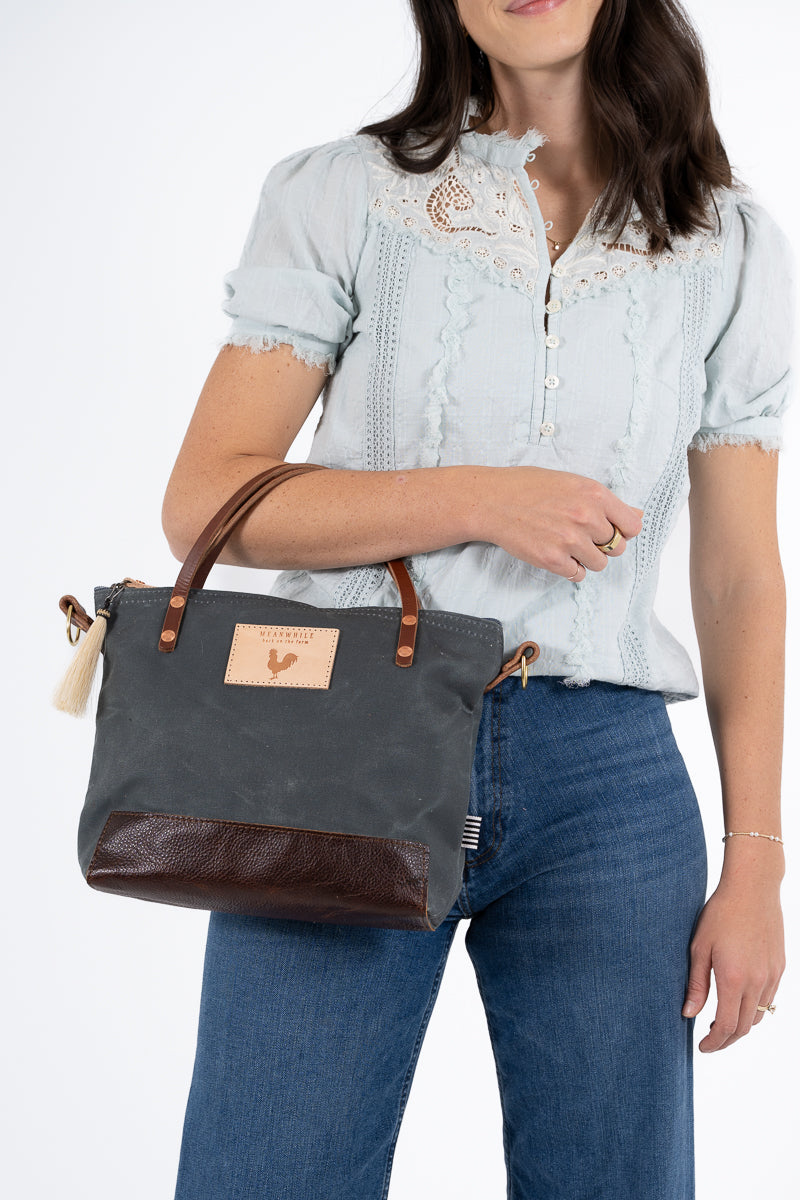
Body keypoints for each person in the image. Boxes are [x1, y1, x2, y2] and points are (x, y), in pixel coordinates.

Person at [162, 1, 789, 1196]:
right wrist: (475, 498)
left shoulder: (725, 245)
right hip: (341, 751)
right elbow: (205, 503)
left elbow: (738, 573)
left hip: (607, 780)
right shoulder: (347, 195)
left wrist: (753, 858)